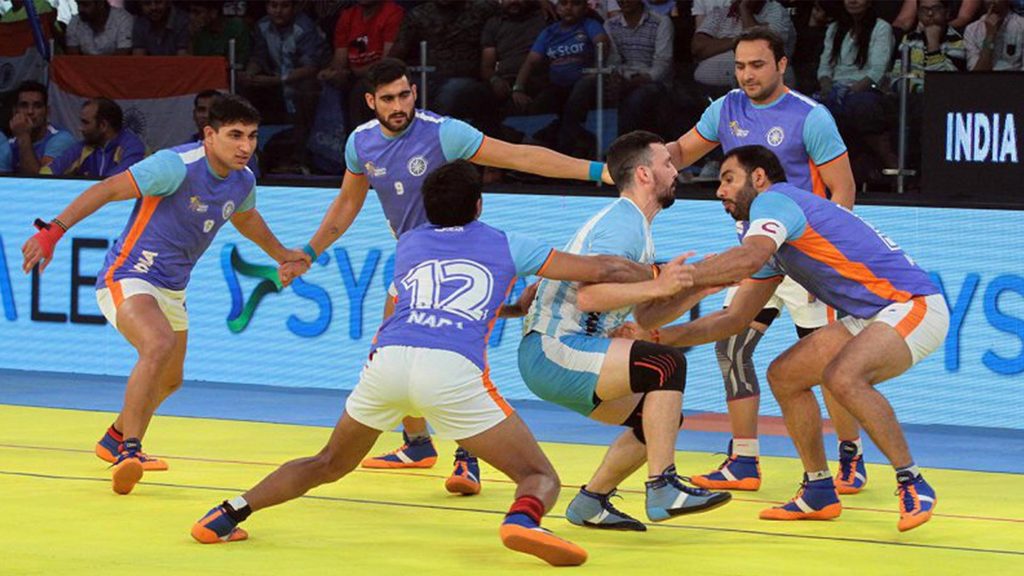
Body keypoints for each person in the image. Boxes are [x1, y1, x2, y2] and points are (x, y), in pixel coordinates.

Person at [189, 160, 664, 565]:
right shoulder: (506, 243)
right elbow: (601, 270)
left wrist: (511, 304)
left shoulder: (410, 244)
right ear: (479, 205)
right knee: (538, 477)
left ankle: (227, 513)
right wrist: (656, 274)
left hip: (388, 362)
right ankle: (521, 520)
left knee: (328, 462)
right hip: (451, 369)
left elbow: (398, 309)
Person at [281, 57, 615, 494]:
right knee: (390, 348)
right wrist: (309, 251)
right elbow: (347, 204)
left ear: (414, 92)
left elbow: (518, 156)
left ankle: (466, 455)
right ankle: (418, 444)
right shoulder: (360, 143)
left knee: (455, 352)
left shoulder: (444, 132)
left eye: (404, 94)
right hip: (413, 262)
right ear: (370, 102)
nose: (398, 105)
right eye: (387, 99)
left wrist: (596, 171)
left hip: (465, 256)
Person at [20, 95, 307, 496]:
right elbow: (107, 189)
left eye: (253, 137)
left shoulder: (243, 180)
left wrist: (282, 255)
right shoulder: (174, 166)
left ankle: (114, 436)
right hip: (128, 274)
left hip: (172, 288)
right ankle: (129, 450)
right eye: (235, 135)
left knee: (170, 380)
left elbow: (244, 218)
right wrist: (53, 231)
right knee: (157, 344)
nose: (245, 146)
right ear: (209, 135)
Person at [657, 145, 948, 532]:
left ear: (758, 178)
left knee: (842, 377)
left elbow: (743, 260)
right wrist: (658, 337)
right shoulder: (769, 243)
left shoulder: (776, 202)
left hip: (914, 305)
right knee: (785, 375)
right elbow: (733, 319)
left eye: (728, 179)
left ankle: (913, 482)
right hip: (870, 315)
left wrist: (680, 279)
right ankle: (818, 490)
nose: (719, 191)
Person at [665, 27, 864, 495]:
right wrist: (645, 160)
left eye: (757, 65)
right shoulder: (726, 109)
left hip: (806, 257)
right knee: (731, 348)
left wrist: (829, 257)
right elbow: (681, 151)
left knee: (832, 366)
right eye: (740, 65)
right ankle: (744, 460)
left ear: (781, 64)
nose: (747, 74)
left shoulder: (810, 117)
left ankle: (851, 456)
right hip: (755, 253)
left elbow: (844, 190)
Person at [519, 130, 732, 530]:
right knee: (666, 366)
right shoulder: (623, 224)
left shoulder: (635, 226)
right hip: (553, 349)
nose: (676, 171)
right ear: (644, 175)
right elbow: (589, 298)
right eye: (667, 164)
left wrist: (701, 286)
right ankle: (663, 484)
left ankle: (592, 500)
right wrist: (659, 283)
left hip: (560, 354)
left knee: (658, 417)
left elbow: (648, 318)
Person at [41, 98, 146, 178]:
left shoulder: (133, 147)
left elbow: (117, 183)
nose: (80, 128)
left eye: (85, 123)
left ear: (103, 125)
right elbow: (46, 173)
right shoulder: (85, 147)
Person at [6, 81, 76, 176]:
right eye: (24, 105)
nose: (30, 112)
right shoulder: (8, 144)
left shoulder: (62, 139)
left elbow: (40, 182)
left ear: (47, 112)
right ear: (15, 111)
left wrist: (24, 136)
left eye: (37, 106)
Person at [189, 90, 260, 177]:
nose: (207, 115)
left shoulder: (243, 154)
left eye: (212, 111)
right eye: (202, 110)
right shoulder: (177, 161)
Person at [965, 0, 1024, 70]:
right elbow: (977, 73)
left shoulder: (1021, 25)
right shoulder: (972, 30)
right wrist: (989, 35)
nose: (990, 1)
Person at [65, 0, 134, 56]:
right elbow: (73, 57)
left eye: (85, 5)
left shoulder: (123, 19)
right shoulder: (75, 21)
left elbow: (122, 54)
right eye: (78, 4)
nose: (80, 9)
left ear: (100, 4)